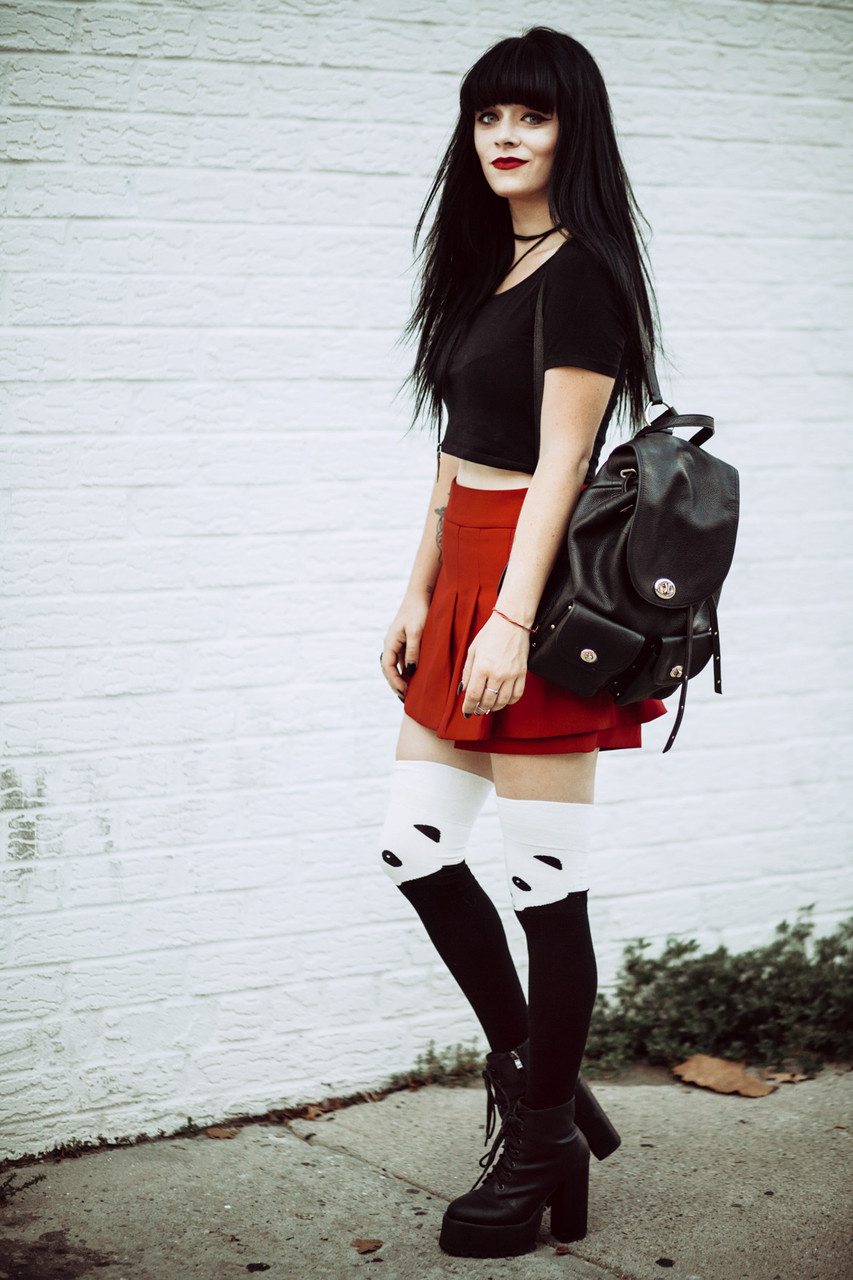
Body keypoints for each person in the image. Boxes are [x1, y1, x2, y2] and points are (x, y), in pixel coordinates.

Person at [378, 27, 666, 1259]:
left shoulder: (582, 272)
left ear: (571, 132)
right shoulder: (482, 265)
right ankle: (534, 1080)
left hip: (534, 591)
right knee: (410, 844)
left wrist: (505, 615)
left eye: (532, 117)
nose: (506, 136)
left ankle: (538, 1126)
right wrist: (415, 591)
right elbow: (456, 452)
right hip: (464, 577)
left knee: (544, 880)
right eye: (489, 114)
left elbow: (559, 463)